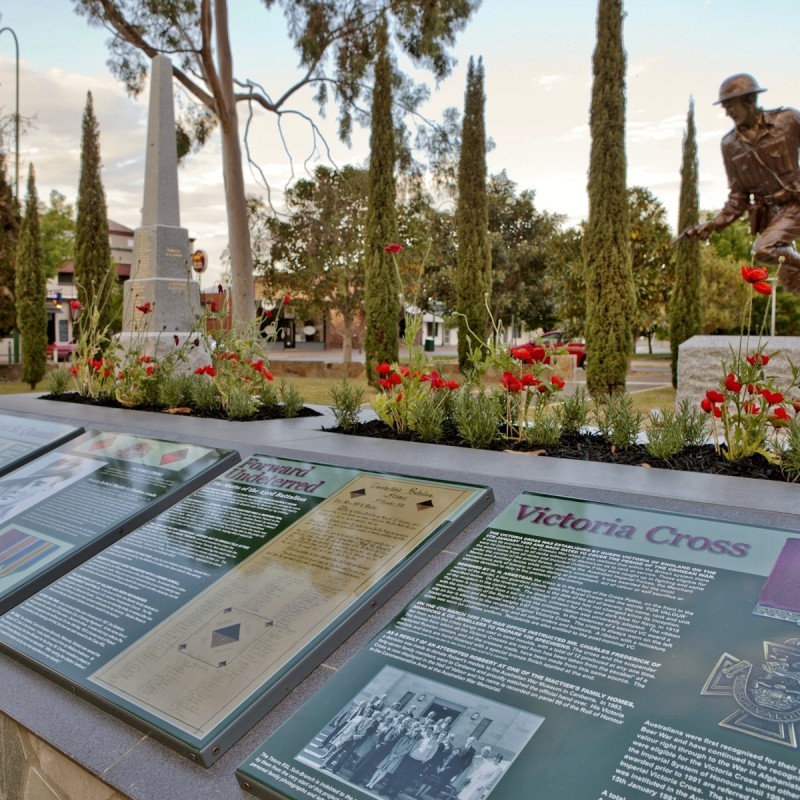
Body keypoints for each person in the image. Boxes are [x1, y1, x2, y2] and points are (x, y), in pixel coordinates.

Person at [680, 73, 800, 294]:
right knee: (792, 280)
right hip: (770, 216)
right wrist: (712, 224)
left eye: (730, 105)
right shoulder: (730, 145)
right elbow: (738, 198)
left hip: (795, 205)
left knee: (763, 249)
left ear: (750, 101)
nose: (727, 112)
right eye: (724, 107)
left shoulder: (788, 120)